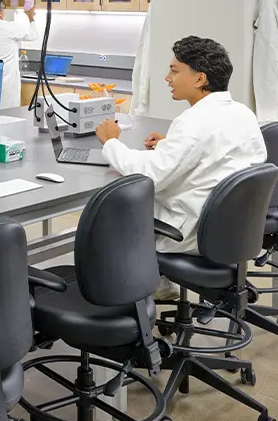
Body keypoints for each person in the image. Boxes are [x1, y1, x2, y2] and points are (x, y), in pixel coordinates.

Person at [95, 36, 267, 257]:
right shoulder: (243, 113)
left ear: (200, 79)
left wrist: (111, 142)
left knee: (115, 202)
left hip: (192, 232)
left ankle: (140, 285)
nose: (167, 78)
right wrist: (170, 144)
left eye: (175, 71)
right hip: (234, 228)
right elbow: (216, 155)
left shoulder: (193, 122)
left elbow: (150, 174)